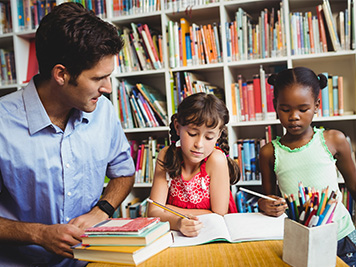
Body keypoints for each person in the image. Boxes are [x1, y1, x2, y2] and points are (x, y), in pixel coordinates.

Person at [0, 3, 135, 266]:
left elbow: (124, 173)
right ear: (61, 74)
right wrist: (39, 234)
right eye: (98, 78)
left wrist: (102, 211)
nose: (108, 88)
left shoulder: (104, 112)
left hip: (92, 262)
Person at [258, 67, 356, 266]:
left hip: (341, 237)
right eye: (286, 109)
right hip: (300, 239)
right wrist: (265, 205)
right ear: (275, 105)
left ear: (317, 105)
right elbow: (268, 200)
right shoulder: (269, 152)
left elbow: (354, 186)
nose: (294, 116)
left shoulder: (333, 140)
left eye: (303, 109)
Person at [148, 92, 240, 237]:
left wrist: (167, 210)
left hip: (211, 233)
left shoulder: (216, 160)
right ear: (178, 127)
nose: (199, 144)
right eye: (192, 134)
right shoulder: (166, 156)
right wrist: (178, 222)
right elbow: (153, 212)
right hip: (175, 235)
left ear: (218, 135)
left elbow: (219, 214)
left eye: (209, 137)